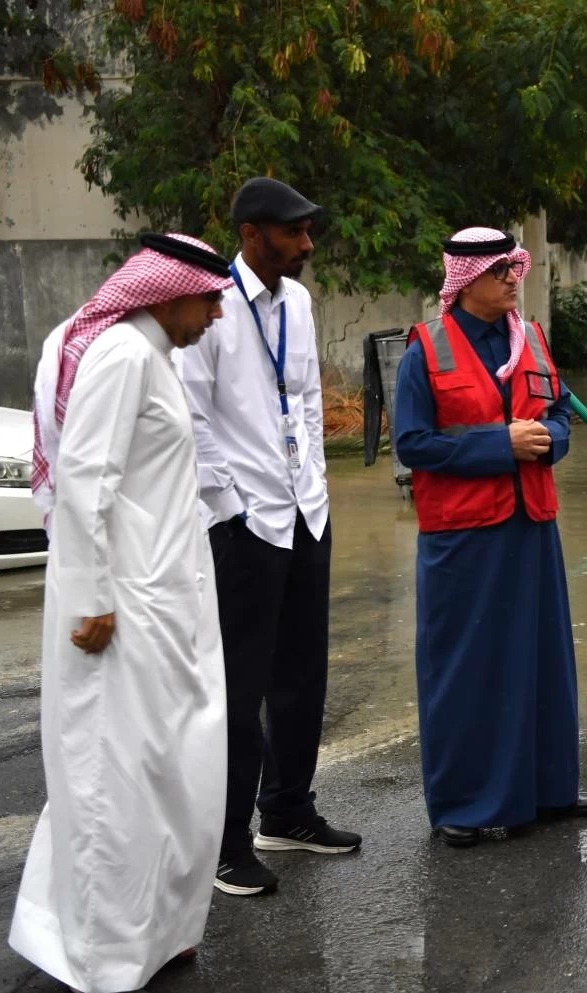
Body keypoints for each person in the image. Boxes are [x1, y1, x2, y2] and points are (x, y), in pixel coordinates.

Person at [11, 234, 232, 992]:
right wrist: (94, 596)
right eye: (209, 300)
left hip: (163, 601)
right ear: (168, 293)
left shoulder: (156, 357)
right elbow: (84, 480)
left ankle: (156, 936)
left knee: (172, 775)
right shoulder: (122, 355)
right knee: (114, 779)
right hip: (117, 609)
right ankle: (105, 956)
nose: (215, 315)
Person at [174, 177, 360, 897]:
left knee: (302, 673)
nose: (307, 244)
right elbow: (190, 418)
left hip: (304, 512)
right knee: (239, 685)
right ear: (253, 235)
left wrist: (312, 480)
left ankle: (286, 811)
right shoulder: (210, 308)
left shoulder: (300, 302)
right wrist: (233, 504)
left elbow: (308, 396)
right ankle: (224, 846)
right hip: (245, 521)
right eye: (294, 232)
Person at [392, 227, 587, 847]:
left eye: (515, 268)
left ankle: (549, 792)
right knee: (464, 667)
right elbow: (412, 444)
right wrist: (498, 445)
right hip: (462, 538)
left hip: (531, 527)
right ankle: (464, 805)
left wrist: (550, 441)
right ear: (466, 279)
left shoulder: (530, 338)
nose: (514, 279)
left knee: (542, 659)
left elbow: (559, 413)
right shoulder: (425, 351)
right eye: (502, 270)